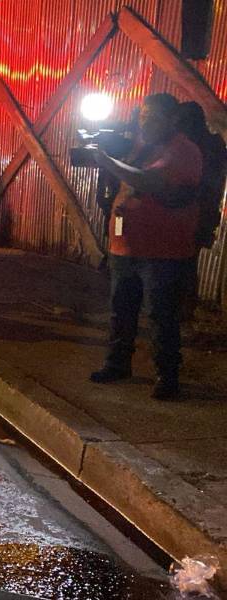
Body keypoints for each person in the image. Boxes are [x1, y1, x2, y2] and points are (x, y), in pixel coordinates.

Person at [88, 93, 202, 400]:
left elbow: (151, 181)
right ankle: (117, 364)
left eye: (152, 117)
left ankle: (167, 376)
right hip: (126, 248)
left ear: (172, 120)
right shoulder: (142, 145)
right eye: (142, 116)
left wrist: (108, 162)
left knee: (161, 316)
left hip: (161, 251)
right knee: (121, 311)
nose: (145, 123)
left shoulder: (183, 150)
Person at [175, 101, 227, 318]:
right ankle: (184, 309)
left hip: (191, 213)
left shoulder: (194, 146)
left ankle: (182, 309)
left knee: (183, 262)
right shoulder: (213, 144)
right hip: (200, 213)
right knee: (187, 261)